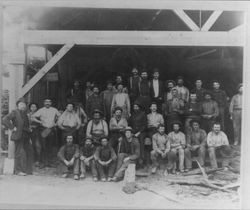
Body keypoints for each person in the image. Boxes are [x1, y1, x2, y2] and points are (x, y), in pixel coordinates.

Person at [3, 100, 33, 175]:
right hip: (19, 135)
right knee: (18, 152)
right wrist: (12, 128)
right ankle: (18, 171)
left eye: (24, 104)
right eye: (21, 104)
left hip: (26, 135)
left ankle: (28, 170)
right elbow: (5, 119)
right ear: (18, 105)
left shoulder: (26, 113)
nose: (23, 106)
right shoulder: (14, 112)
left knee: (29, 152)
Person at [33, 98, 61, 167]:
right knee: (43, 146)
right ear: (44, 103)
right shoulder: (41, 110)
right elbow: (33, 117)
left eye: (49, 102)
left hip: (51, 129)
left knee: (50, 146)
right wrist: (39, 122)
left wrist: (56, 123)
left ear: (51, 103)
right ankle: (43, 163)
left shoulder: (54, 110)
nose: (47, 103)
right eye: (46, 102)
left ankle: (50, 162)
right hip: (44, 129)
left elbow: (60, 116)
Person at [28, 103, 41, 167]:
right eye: (32, 107)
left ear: (37, 108)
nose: (33, 108)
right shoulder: (28, 115)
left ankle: (38, 160)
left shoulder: (39, 115)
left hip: (38, 132)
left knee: (37, 146)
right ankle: (31, 160)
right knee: (30, 146)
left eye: (35, 107)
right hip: (29, 132)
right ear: (30, 108)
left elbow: (42, 123)